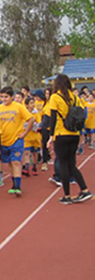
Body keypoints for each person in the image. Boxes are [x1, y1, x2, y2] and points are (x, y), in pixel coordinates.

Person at [47, 74, 92, 204]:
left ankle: (67, 195)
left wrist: (51, 137)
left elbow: (53, 118)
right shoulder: (75, 97)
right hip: (74, 133)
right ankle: (84, 189)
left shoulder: (55, 97)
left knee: (63, 164)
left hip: (61, 134)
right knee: (71, 164)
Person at [0, 86, 34, 196]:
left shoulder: (19, 107)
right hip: (4, 141)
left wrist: (25, 133)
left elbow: (31, 119)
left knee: (16, 162)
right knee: (10, 164)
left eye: (6, 97)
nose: (4, 99)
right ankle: (13, 184)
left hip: (16, 139)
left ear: (12, 97)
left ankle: (18, 186)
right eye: (2, 97)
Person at [22, 97, 41, 177]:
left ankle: (34, 166)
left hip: (35, 137)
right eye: (31, 103)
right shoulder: (24, 113)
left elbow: (39, 123)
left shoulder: (36, 113)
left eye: (33, 103)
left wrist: (36, 127)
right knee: (26, 152)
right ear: (26, 105)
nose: (33, 105)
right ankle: (26, 167)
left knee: (35, 153)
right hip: (27, 137)